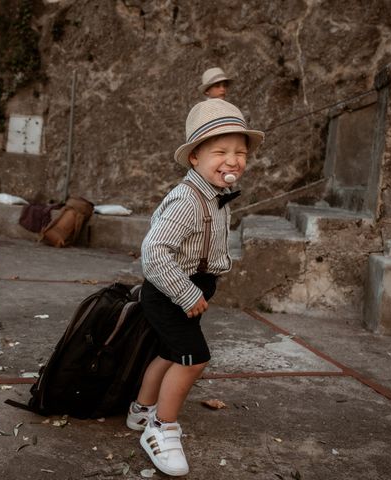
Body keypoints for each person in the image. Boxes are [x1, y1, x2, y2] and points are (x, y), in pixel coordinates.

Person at [126, 99, 264, 476]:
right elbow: (153, 251)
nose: (232, 160)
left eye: (240, 152)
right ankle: (161, 428)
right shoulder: (188, 199)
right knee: (193, 357)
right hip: (171, 290)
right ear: (194, 158)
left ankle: (141, 411)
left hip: (187, 287)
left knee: (170, 353)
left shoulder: (214, 196)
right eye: (220, 151)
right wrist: (186, 294)